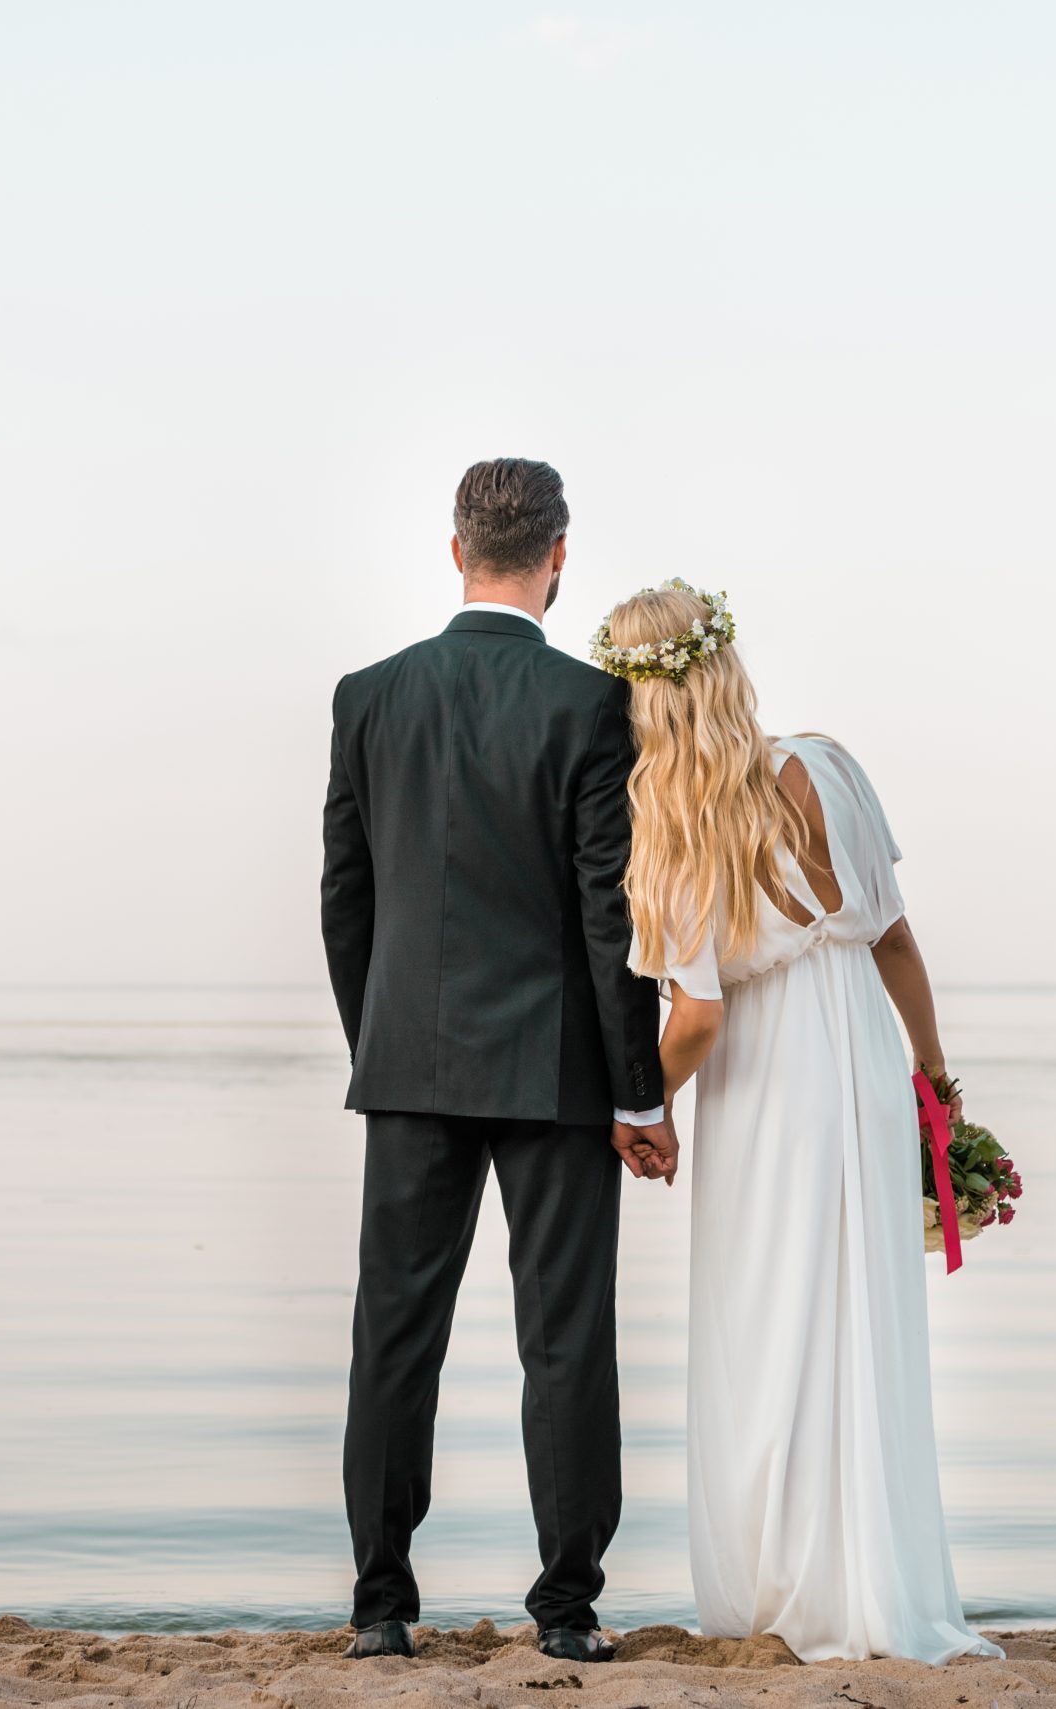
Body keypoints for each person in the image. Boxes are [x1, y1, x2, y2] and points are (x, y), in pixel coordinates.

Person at [601, 577, 1000, 1665]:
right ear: (725, 664)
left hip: (768, 1086)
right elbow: (897, 944)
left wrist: (643, 1103)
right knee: (860, 1318)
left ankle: (786, 1585)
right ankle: (878, 1582)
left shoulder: (675, 822)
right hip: (862, 1062)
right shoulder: (827, 764)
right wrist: (934, 1082)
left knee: (770, 1323)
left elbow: (697, 1014)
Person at [320, 459, 677, 1663]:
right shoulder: (588, 706)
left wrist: (380, 1036)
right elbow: (605, 919)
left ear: (455, 548)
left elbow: (345, 900)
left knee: (394, 1333)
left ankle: (379, 1606)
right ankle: (566, 1611)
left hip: (408, 1062)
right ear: (558, 555)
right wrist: (640, 1089)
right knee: (566, 1336)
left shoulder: (367, 697)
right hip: (557, 1072)